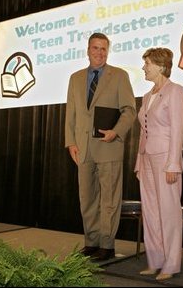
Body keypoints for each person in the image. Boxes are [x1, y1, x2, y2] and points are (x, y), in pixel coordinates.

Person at [65, 33, 136, 261]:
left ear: (108, 51)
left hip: (109, 147)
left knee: (109, 200)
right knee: (87, 199)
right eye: (95, 48)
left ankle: (107, 245)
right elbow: (71, 114)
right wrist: (70, 142)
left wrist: (116, 131)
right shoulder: (75, 78)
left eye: (104, 49)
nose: (99, 53)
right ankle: (91, 242)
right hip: (83, 149)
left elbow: (129, 110)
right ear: (87, 50)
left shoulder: (120, 76)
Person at [134, 48, 183, 280]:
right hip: (146, 159)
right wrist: (138, 161)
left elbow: (178, 129)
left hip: (166, 159)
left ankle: (171, 264)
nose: (143, 68)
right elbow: (143, 132)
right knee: (151, 212)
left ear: (160, 66)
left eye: (146, 64)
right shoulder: (147, 96)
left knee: (168, 212)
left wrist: (173, 164)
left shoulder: (175, 91)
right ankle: (155, 260)